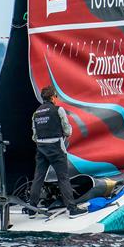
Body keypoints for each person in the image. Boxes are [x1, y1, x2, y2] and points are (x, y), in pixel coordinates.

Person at [28, 86, 87, 219]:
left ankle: (32, 209)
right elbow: (67, 131)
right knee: (63, 178)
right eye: (56, 97)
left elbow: (34, 136)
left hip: (41, 148)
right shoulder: (58, 109)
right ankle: (72, 210)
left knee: (38, 178)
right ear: (53, 97)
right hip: (56, 148)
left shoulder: (36, 113)